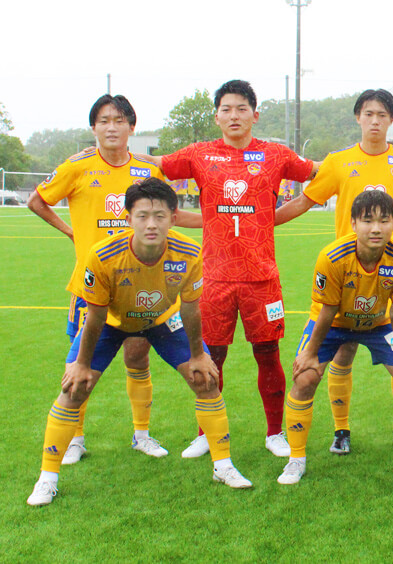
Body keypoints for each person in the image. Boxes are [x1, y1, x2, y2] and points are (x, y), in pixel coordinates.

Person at [26, 179, 251, 506]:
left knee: (205, 379)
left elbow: (190, 308)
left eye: (160, 216)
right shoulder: (102, 255)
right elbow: (95, 315)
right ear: (128, 217)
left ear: (173, 218)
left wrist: (198, 355)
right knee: (74, 387)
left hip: (162, 321)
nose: (151, 224)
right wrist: (82, 364)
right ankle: (47, 479)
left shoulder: (189, 252)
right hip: (111, 322)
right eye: (143, 216)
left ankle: (223, 466)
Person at [276, 88, 393, 455]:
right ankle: (341, 430)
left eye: (382, 114)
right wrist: (263, 222)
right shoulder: (338, 161)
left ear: (391, 119)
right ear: (358, 118)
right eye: (368, 114)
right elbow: (304, 200)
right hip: (346, 275)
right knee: (342, 355)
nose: (375, 121)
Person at [146, 80, 317, 459]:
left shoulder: (275, 154)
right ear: (217, 116)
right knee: (211, 356)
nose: (234, 115)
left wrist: (290, 209)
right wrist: (111, 152)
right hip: (215, 277)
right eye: (226, 109)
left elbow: (317, 173)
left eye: (242, 108)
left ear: (255, 114)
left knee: (268, 354)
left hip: (262, 278)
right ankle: (207, 433)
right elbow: (154, 165)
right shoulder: (200, 154)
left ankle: (275, 432)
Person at [27, 94, 191, 463]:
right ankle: (75, 439)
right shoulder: (77, 167)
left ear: (132, 127)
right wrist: (70, 232)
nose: (112, 127)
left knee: (138, 357)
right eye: (104, 120)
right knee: (79, 365)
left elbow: (170, 214)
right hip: (92, 284)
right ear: (93, 128)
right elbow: (37, 200)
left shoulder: (147, 171)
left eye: (119, 120)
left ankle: (141, 434)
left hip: (142, 284)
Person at [278, 190, 393, 484]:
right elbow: (328, 310)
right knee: (305, 377)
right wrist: (310, 354)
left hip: (379, 323)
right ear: (353, 223)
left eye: (383, 220)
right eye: (367, 221)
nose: (376, 228)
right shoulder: (332, 257)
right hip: (334, 323)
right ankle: (295, 460)